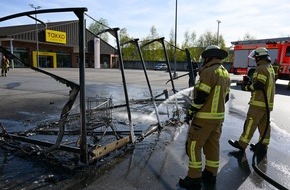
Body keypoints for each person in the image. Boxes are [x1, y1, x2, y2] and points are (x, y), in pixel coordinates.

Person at [179, 45, 230, 189]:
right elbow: (225, 98)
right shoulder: (225, 73)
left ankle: (194, 178)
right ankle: (210, 174)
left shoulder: (208, 72)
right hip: (218, 119)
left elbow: (201, 97)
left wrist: (191, 112)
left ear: (209, 56)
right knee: (212, 146)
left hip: (203, 119)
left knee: (194, 146)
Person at [228, 47, 275, 153]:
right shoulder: (269, 68)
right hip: (267, 104)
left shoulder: (261, 68)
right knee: (264, 125)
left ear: (259, 57)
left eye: (255, 57)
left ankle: (242, 144)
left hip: (258, 103)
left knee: (250, 123)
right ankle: (263, 145)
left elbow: (259, 85)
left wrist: (247, 87)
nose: (255, 59)